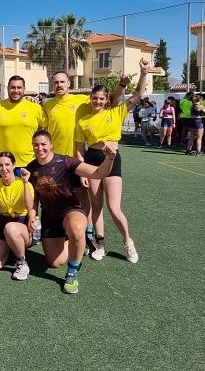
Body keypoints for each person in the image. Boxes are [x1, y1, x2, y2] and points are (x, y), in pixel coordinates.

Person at [74, 58, 149, 265]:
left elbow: (138, 95)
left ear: (107, 100)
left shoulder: (116, 112)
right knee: (95, 207)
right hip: (91, 161)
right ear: (90, 98)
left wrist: (143, 72)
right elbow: (79, 150)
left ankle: (128, 242)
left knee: (114, 208)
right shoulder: (83, 120)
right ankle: (100, 244)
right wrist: (82, 174)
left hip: (112, 160)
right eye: (94, 98)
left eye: (101, 99)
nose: (97, 102)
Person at [26, 130, 118, 294]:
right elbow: (34, 201)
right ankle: (78, 244)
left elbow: (98, 173)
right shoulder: (31, 168)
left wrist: (110, 157)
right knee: (55, 262)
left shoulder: (66, 161)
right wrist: (32, 218)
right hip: (50, 217)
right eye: (36, 145)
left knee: (76, 229)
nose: (39, 148)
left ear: (51, 144)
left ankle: (72, 272)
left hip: (71, 210)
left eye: (43, 144)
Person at [43, 70, 125, 253]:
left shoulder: (82, 101)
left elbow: (111, 99)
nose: (59, 85)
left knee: (84, 200)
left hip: (77, 160)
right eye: (55, 82)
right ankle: (62, 233)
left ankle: (88, 236)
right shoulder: (47, 105)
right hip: (56, 160)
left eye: (62, 82)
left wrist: (121, 85)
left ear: (69, 84)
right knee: (58, 197)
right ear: (52, 84)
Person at [0, 151, 35, 280]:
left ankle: (22, 262)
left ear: (14, 165)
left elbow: (29, 206)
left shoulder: (23, 183)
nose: (4, 169)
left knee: (11, 228)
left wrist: (26, 183)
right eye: (0, 165)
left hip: (21, 226)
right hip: (2, 225)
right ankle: (11, 248)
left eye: (7, 164)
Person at [0, 75, 48, 167]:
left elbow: (48, 128)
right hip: (5, 165)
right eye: (12, 88)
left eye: (19, 87)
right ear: (7, 88)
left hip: (31, 163)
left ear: (24, 89)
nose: (16, 91)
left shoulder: (35, 107)